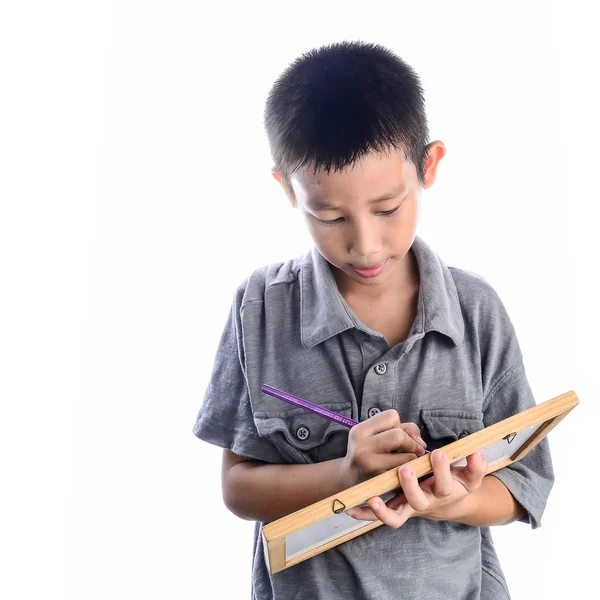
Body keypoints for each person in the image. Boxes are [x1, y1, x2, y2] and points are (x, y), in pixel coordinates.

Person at [192, 40, 553, 600]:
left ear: (428, 166)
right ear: (287, 190)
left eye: (388, 209)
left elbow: (524, 485)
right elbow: (238, 488)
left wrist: (459, 499)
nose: (365, 244)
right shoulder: (260, 306)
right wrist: (341, 479)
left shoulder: (475, 310)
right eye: (330, 216)